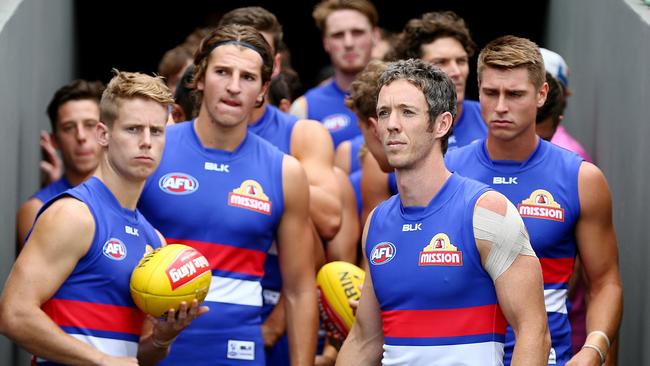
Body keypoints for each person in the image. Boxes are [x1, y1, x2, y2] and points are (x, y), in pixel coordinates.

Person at [337, 58, 550, 365]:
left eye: (407, 112)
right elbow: (364, 339)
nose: (392, 124)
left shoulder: (486, 211)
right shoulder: (377, 222)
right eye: (384, 113)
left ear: (442, 124)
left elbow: (534, 331)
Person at [137, 24, 318, 366]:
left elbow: (299, 290)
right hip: (147, 351)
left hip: (239, 352)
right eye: (222, 72)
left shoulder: (285, 172)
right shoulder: (153, 148)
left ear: (263, 89)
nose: (234, 87)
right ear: (200, 78)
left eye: (248, 77)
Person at [0, 70, 205, 365]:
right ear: (103, 134)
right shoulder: (75, 214)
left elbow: (132, 359)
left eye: (156, 131)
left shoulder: (154, 240)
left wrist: (161, 340)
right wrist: (99, 360)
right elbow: (13, 314)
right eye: (133, 129)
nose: (146, 141)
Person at [445, 35, 623, 365]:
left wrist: (594, 349)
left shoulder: (581, 178)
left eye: (514, 94)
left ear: (542, 95)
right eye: (490, 93)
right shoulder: (446, 171)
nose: (500, 106)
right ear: (477, 91)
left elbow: (605, 282)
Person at [216, 7, 344, 366]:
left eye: (258, 56)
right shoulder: (193, 134)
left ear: (273, 67)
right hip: (195, 310)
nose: (238, 79)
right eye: (226, 66)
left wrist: (259, 163)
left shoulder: (300, 133)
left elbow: (330, 219)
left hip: (279, 309)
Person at [16, 79, 104, 249]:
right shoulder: (37, 209)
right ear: (55, 140)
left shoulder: (133, 198)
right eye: (69, 127)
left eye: (90, 124)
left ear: (105, 132)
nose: (81, 136)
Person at [388, 11, 487, 151]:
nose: (456, 72)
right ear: (413, 70)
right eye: (441, 62)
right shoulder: (395, 126)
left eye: (461, 61)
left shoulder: (488, 117)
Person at [290, 0, 379, 148]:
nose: (348, 43)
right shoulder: (304, 107)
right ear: (326, 43)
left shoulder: (402, 94)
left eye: (357, 32)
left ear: (375, 36)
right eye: (338, 35)